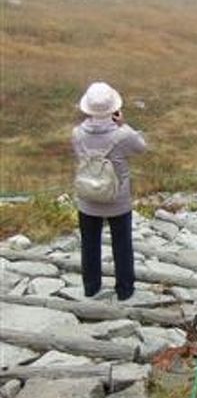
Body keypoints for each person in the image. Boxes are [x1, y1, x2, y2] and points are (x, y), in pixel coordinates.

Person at [72, 81, 147, 301]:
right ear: (113, 109)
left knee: (89, 243)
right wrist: (124, 125)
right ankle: (124, 290)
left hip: (88, 197)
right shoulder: (122, 135)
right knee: (122, 243)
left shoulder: (77, 133)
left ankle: (91, 287)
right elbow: (141, 147)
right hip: (118, 198)